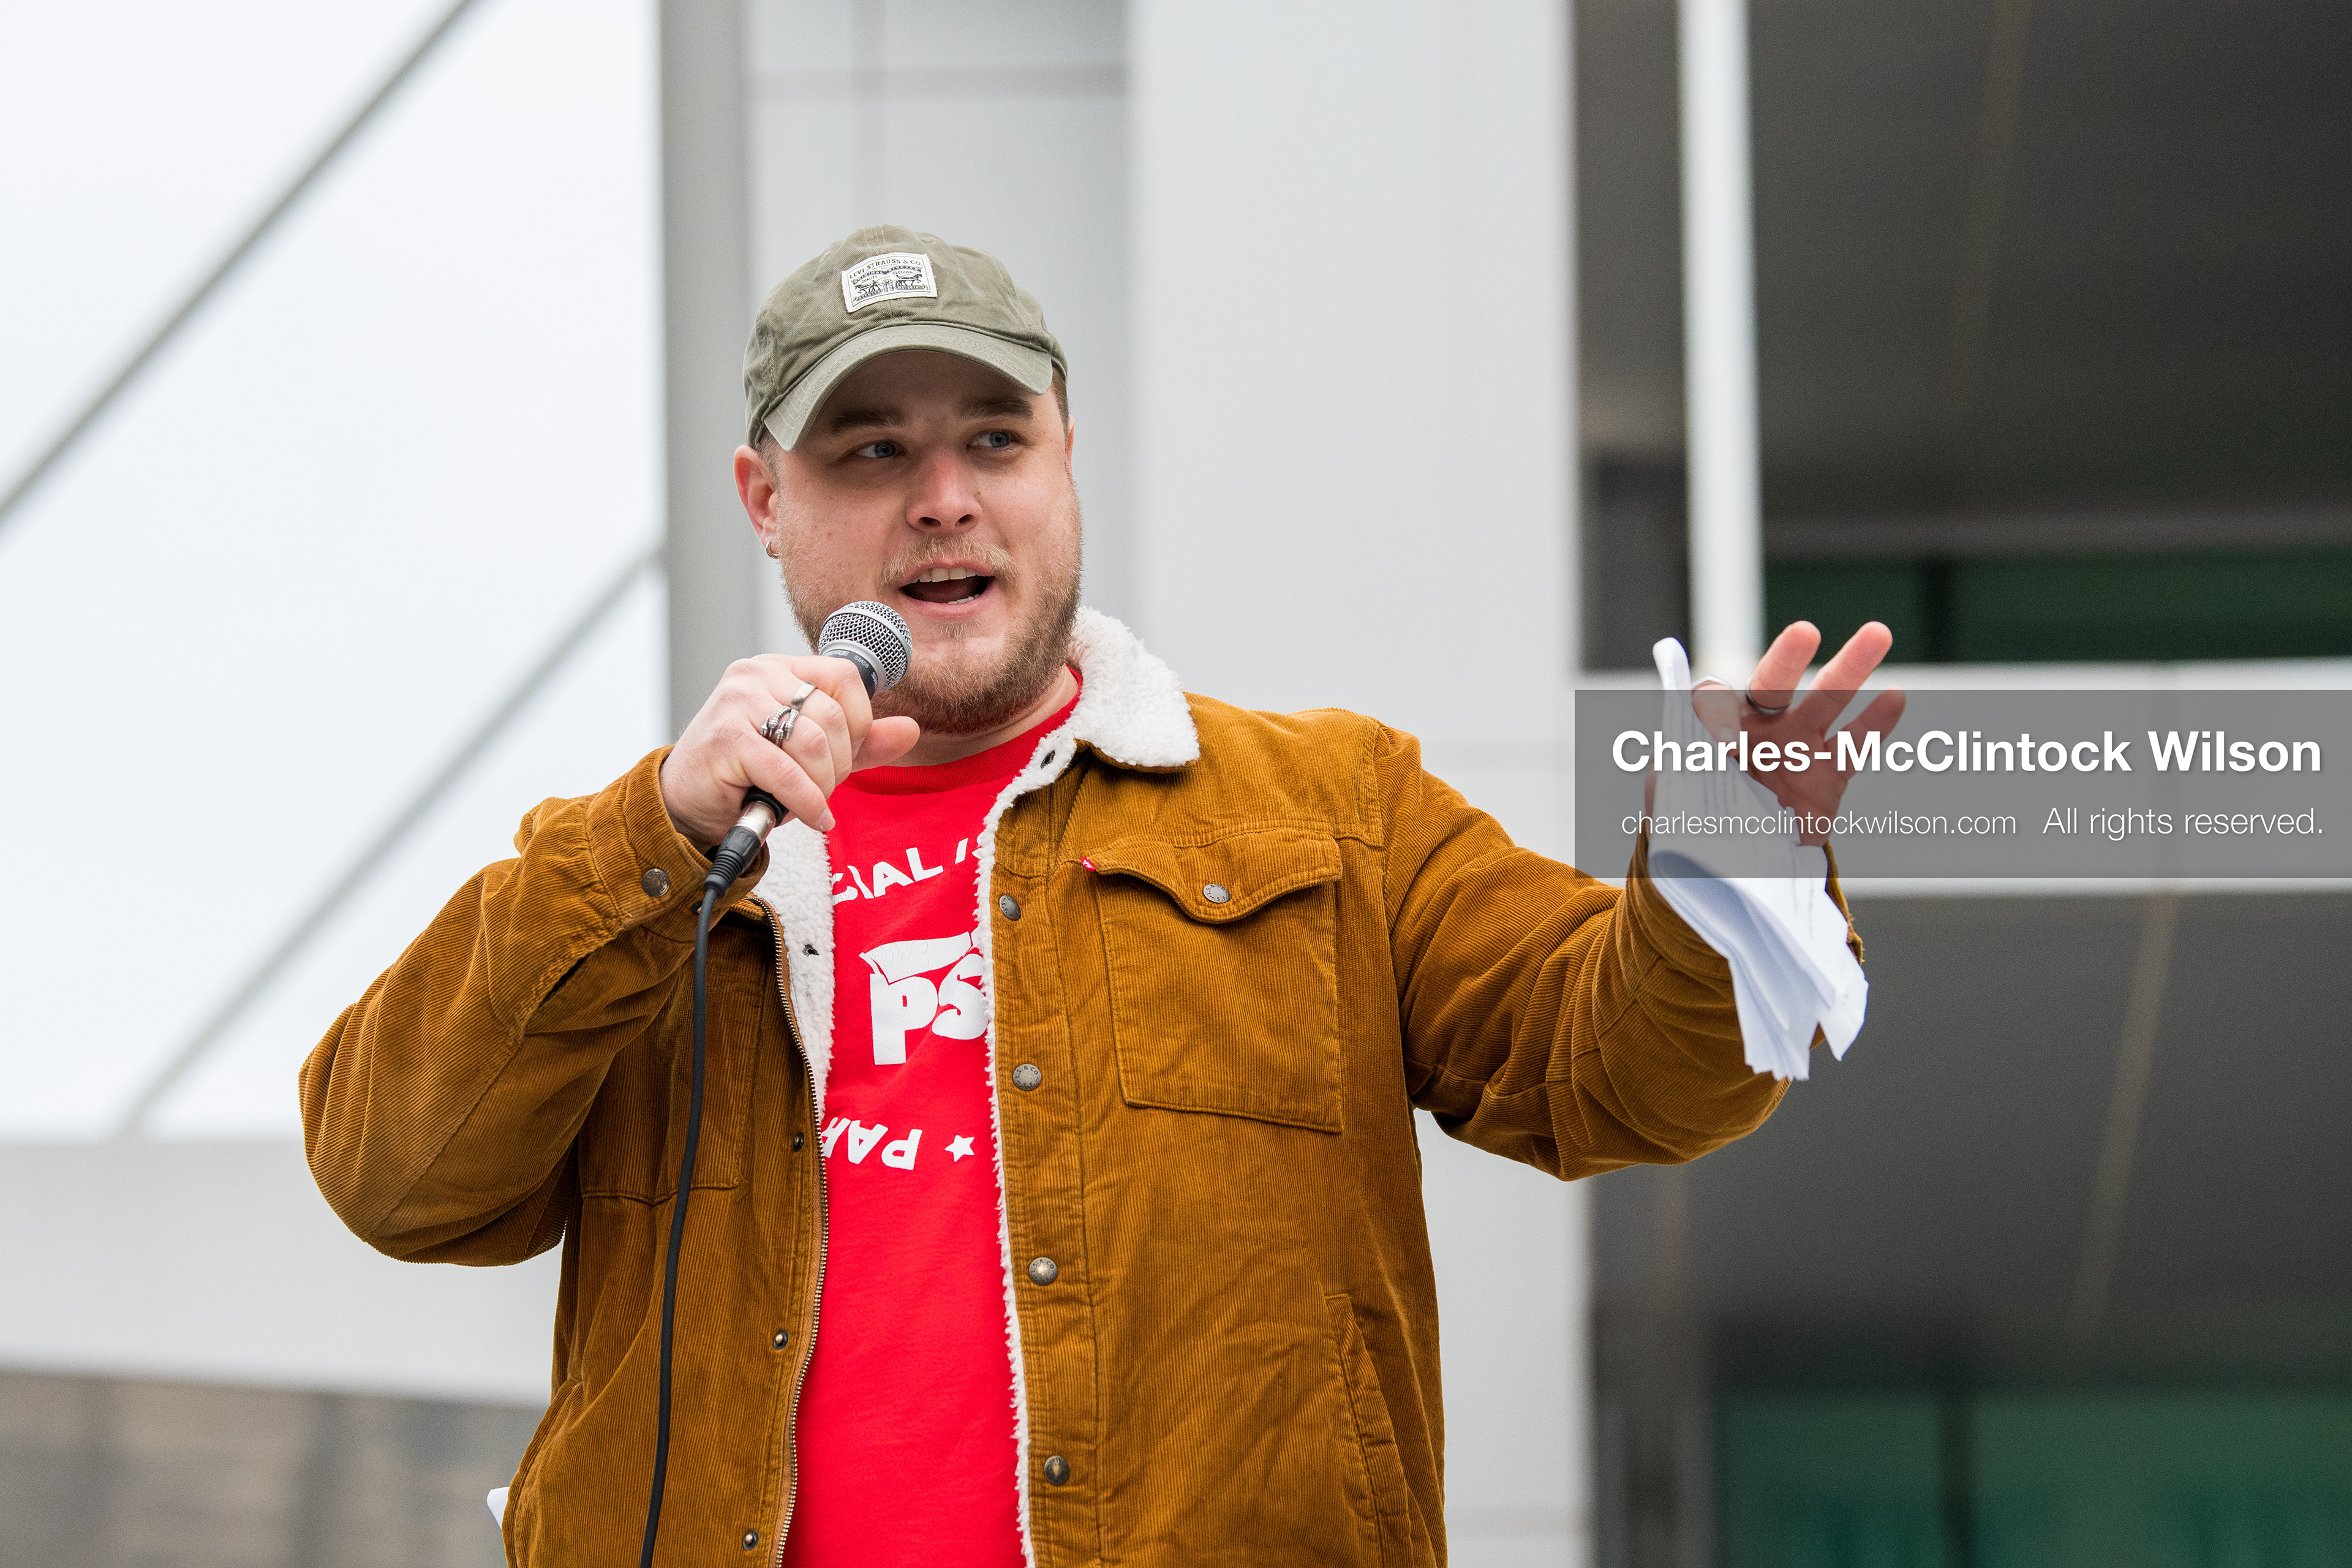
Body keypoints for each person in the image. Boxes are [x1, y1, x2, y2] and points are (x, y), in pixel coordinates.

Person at [300, 225, 1902, 1567]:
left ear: (1066, 456)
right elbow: (392, 1172)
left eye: (992, 441)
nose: (943, 498)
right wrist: (644, 842)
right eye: (872, 450)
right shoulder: (667, 871)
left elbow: (1621, 1073)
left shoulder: (1330, 811)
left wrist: (1720, 864)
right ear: (763, 498)